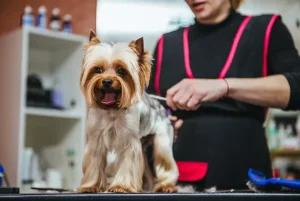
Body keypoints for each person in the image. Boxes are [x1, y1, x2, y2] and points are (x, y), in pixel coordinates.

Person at [146, 0, 300, 191]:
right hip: (182, 177)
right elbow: (149, 110)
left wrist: (224, 86)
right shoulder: (167, 44)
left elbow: (296, 89)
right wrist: (163, 122)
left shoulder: (266, 29)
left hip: (249, 174)